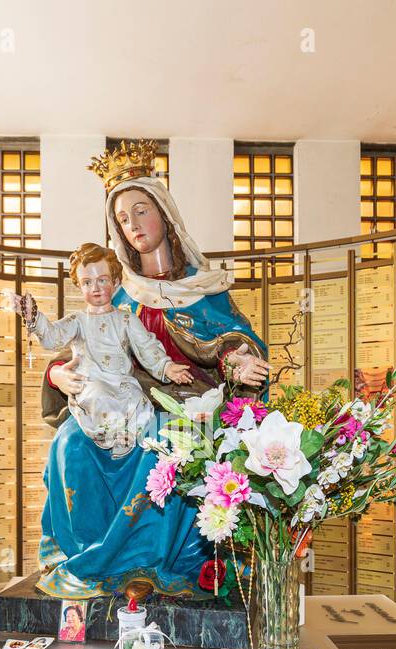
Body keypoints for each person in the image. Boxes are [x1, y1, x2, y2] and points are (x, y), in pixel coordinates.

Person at [32, 140, 271, 600]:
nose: (133, 225)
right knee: (69, 444)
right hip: (113, 407)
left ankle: (160, 561)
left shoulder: (204, 291)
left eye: (141, 211)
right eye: (123, 218)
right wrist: (55, 377)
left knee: (167, 444)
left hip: (185, 408)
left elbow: (227, 342)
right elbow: (77, 349)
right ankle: (89, 560)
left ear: (164, 213)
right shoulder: (116, 293)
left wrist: (236, 360)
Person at [15, 242, 192, 459]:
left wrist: (166, 366)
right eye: (87, 282)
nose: (96, 288)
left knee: (136, 398)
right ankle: (111, 437)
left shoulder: (126, 319)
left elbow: (147, 346)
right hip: (92, 382)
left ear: (116, 282)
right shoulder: (77, 321)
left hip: (121, 382)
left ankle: (128, 438)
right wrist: (34, 318)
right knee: (99, 395)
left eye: (102, 280)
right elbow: (53, 337)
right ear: (79, 286)